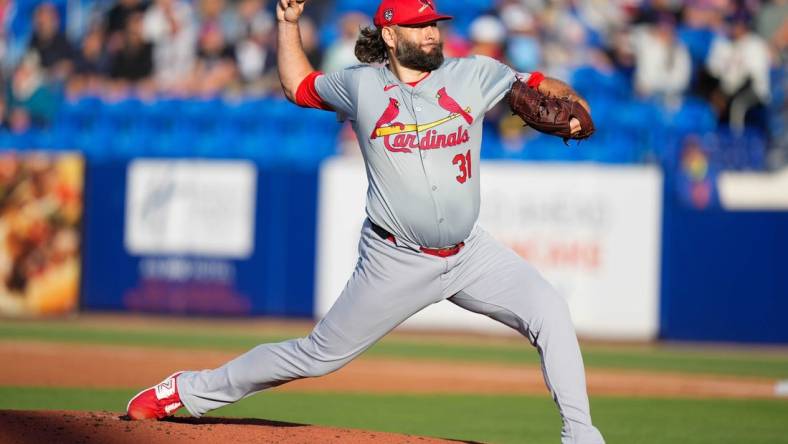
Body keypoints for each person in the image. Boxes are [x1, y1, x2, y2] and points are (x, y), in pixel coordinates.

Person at [126, 1, 604, 443]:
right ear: (392, 35)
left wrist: (576, 106)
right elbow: (298, 86)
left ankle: (581, 436)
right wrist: (288, 25)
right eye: (420, 28)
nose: (433, 35)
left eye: (434, 25)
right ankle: (185, 391)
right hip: (394, 259)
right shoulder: (361, 85)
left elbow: (544, 85)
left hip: (469, 253)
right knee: (315, 356)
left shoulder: (475, 74)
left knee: (550, 311)